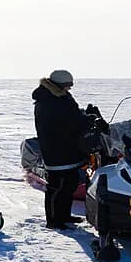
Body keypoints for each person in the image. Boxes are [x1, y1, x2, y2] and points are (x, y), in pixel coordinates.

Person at [32, 69, 88, 229]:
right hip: (56, 149)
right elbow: (67, 121)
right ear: (59, 85)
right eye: (67, 86)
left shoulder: (58, 96)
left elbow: (72, 115)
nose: (69, 89)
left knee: (70, 183)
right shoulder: (49, 100)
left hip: (67, 148)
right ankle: (53, 220)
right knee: (56, 186)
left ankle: (64, 215)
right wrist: (82, 120)